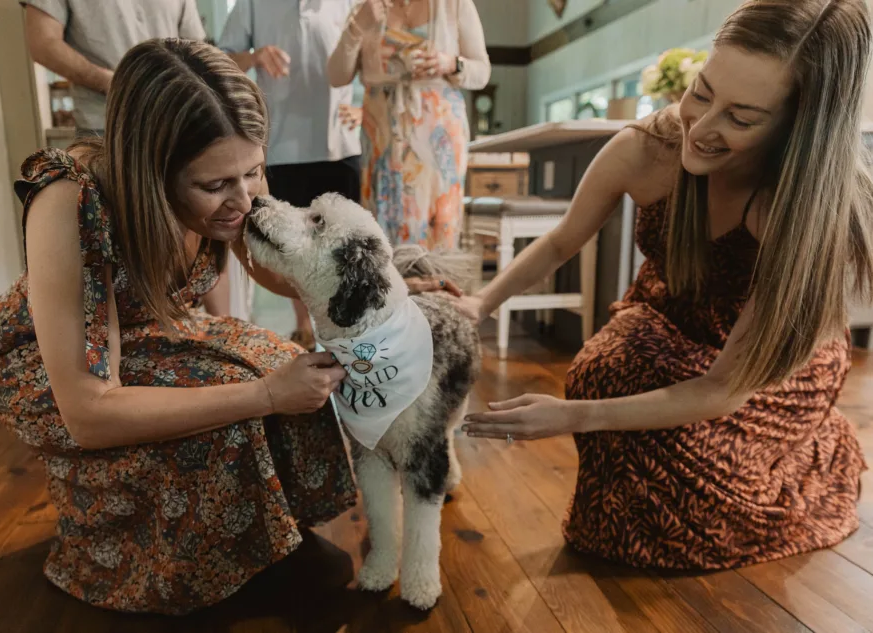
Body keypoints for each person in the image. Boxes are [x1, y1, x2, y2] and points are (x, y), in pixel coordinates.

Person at [0, 39, 399, 615]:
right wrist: (265, 395)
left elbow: (268, 266)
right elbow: (88, 410)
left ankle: (267, 536)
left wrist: (388, 294)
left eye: (254, 171)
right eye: (215, 187)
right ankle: (183, 565)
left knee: (277, 355)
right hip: (47, 368)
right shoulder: (70, 200)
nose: (245, 200)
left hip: (149, 325)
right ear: (150, 170)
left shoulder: (230, 172)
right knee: (241, 396)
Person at [461, 0, 873, 570]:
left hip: (765, 369)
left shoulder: (796, 211)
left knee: (701, 488)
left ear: (795, 129)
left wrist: (572, 416)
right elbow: (560, 241)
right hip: (670, 314)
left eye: (741, 118)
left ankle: (810, 459)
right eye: (702, 93)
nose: (699, 129)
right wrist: (481, 301)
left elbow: (724, 388)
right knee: (601, 374)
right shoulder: (646, 149)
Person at [219, 0, 363, 351]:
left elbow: (371, 60)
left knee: (345, 245)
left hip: (339, 143)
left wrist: (365, 108)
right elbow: (221, 60)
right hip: (281, 144)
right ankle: (305, 331)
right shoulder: (253, 4)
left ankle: (350, 332)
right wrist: (255, 56)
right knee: (291, 245)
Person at [327, 0, 490, 249]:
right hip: (383, 143)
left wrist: (451, 63)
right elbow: (337, 76)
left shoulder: (454, 4)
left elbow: (482, 71)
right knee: (383, 230)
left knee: (438, 227)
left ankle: (436, 274)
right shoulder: (365, 8)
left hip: (438, 143)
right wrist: (357, 26)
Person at [22, 0, 206, 137]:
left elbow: (196, 48)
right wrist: (114, 84)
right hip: (105, 126)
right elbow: (43, 43)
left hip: (172, 123)